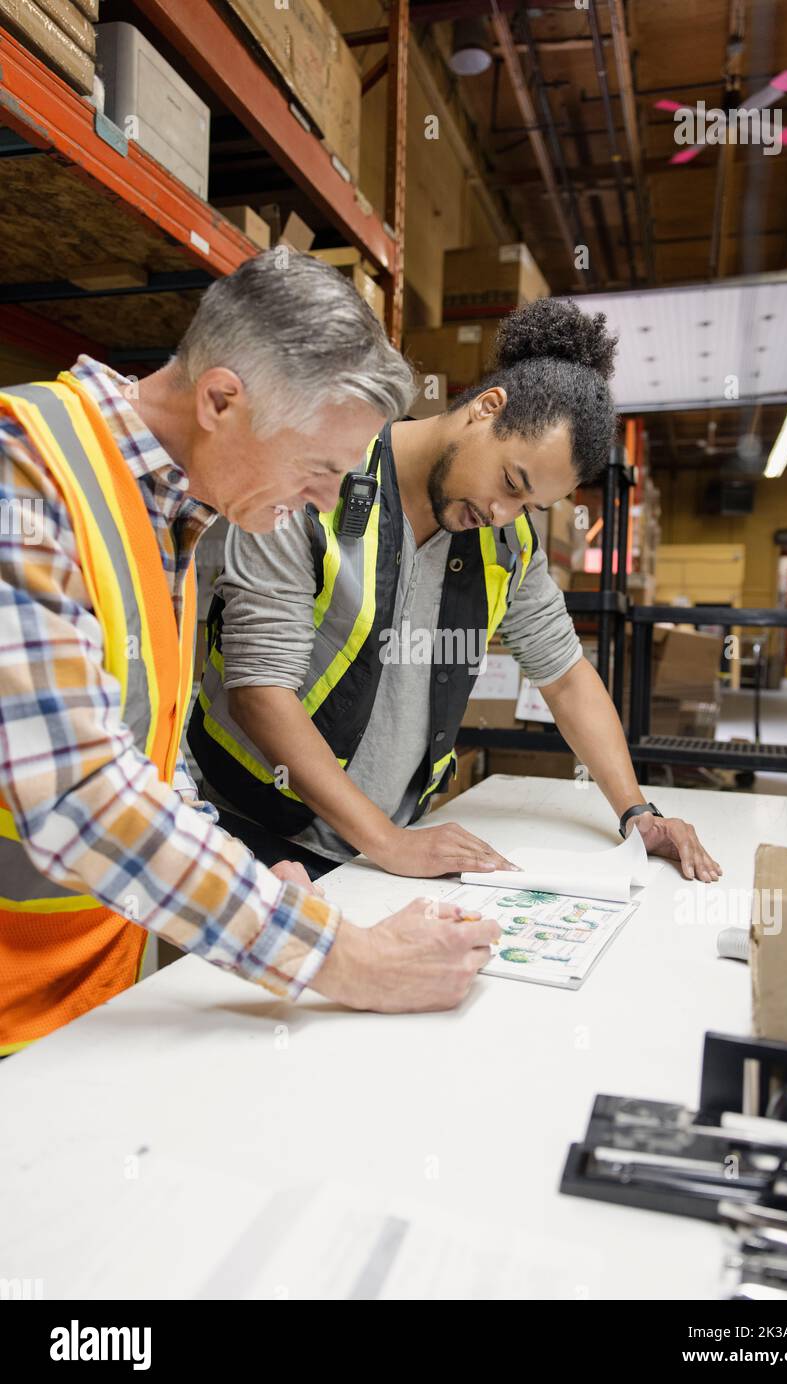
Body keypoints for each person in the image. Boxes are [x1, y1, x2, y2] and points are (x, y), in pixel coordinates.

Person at [0, 251, 499, 1056]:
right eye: (319, 468)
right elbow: (75, 792)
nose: (328, 501)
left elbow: (149, 754)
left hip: (82, 1006)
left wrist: (245, 875)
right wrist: (345, 960)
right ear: (221, 400)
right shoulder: (23, 471)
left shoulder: (173, 514)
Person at [189, 299, 722, 883]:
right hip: (250, 828)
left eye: (530, 506)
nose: (503, 513)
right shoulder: (321, 474)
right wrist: (389, 842)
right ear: (487, 408)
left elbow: (566, 677)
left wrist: (637, 813)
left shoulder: (507, 544)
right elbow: (260, 689)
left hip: (381, 856)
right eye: (511, 482)